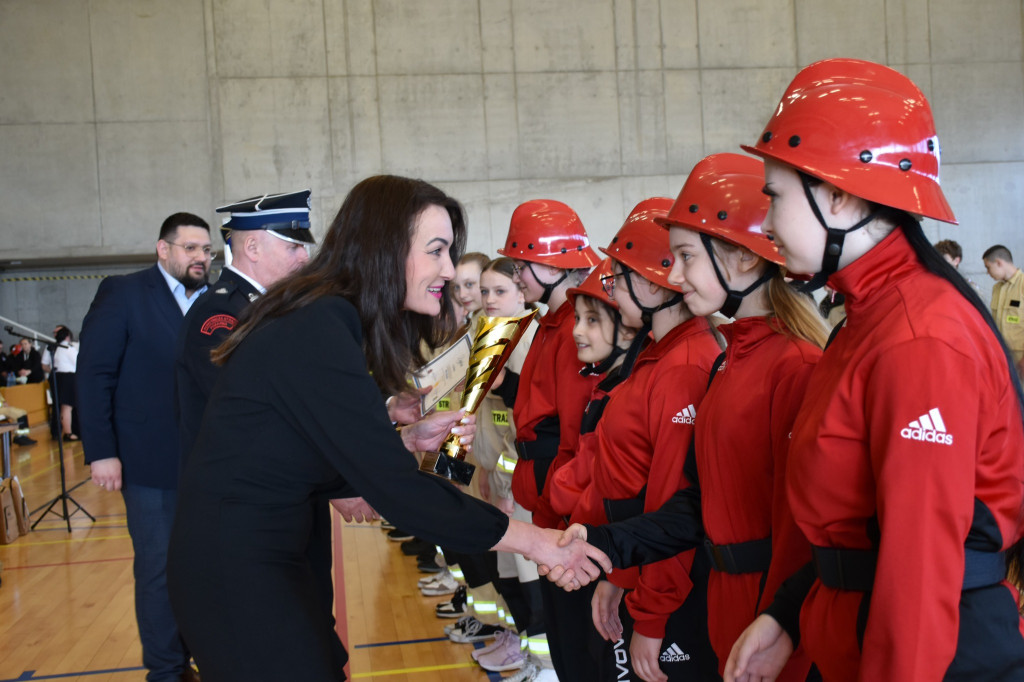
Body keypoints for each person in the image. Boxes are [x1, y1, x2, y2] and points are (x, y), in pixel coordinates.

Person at [164, 175, 610, 682]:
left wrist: (399, 441)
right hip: (238, 569)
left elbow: (289, 450)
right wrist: (537, 542)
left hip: (261, 554)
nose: (446, 269)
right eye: (436, 251)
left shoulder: (325, 316)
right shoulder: (320, 324)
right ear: (387, 249)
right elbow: (398, 492)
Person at [719, 58, 1024, 681]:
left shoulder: (918, 338)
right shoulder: (869, 319)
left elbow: (918, 570)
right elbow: (852, 523)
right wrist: (786, 615)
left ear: (840, 195)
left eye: (775, 197)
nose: (768, 223)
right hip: (854, 634)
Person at [549, 154, 829, 682]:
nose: (673, 275)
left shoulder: (793, 367)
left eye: (683, 256)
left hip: (770, 617)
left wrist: (781, 622)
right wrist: (605, 546)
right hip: (730, 604)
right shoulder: (730, 361)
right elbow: (697, 505)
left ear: (743, 259)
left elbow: (804, 534)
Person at [78, 211, 213, 682]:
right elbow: (94, 375)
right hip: (148, 460)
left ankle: (200, 658)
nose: (200, 257)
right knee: (158, 572)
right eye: (191, 248)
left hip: (206, 465)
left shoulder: (215, 302)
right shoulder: (124, 293)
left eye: (206, 249)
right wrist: (101, 450)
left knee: (202, 568)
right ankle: (165, 670)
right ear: (164, 249)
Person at [496, 198, 602, 679]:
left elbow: (578, 433)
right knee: (564, 645)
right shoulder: (549, 325)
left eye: (523, 264)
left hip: (563, 509)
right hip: (544, 500)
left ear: (553, 262)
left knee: (579, 651)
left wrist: (562, 507)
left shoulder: (575, 329)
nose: (517, 274)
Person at [175, 189, 314, 463]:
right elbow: (250, 412)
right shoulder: (220, 314)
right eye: (293, 246)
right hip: (243, 489)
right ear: (252, 248)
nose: (305, 258)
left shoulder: (271, 305)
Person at [984, 244, 1024, 375]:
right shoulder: (997, 289)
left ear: (999, 263)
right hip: (1004, 360)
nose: (987, 272)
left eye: (988, 267)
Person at [49, 325, 80, 441]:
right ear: (68, 336)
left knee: (64, 407)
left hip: (59, 377)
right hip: (68, 378)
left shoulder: (57, 349)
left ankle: (68, 431)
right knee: (67, 407)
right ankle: (68, 433)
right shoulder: (68, 348)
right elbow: (78, 363)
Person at [452, 251, 489, 327]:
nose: (462, 295)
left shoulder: (493, 324)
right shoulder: (477, 320)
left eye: (469, 284)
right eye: (456, 287)